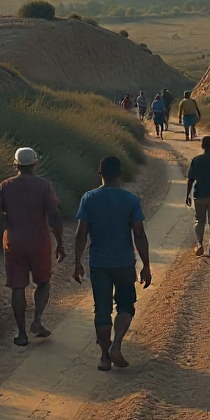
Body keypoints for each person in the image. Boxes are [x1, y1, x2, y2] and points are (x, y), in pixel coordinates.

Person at [73, 156, 152, 371]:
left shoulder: (89, 198)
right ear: (120, 173)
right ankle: (116, 345)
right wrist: (146, 265)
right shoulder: (131, 200)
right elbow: (139, 234)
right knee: (126, 306)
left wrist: (77, 262)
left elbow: (81, 234)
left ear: (100, 172)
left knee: (102, 310)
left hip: (98, 263)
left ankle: (104, 357)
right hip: (124, 262)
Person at [0, 147, 66, 347]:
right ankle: (37, 319)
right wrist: (60, 243)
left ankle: (21, 333)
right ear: (35, 163)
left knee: (17, 286)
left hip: (14, 241)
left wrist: (7, 216)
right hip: (39, 241)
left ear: (16, 164)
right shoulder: (44, 186)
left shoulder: (6, 185)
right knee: (43, 282)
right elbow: (54, 215)